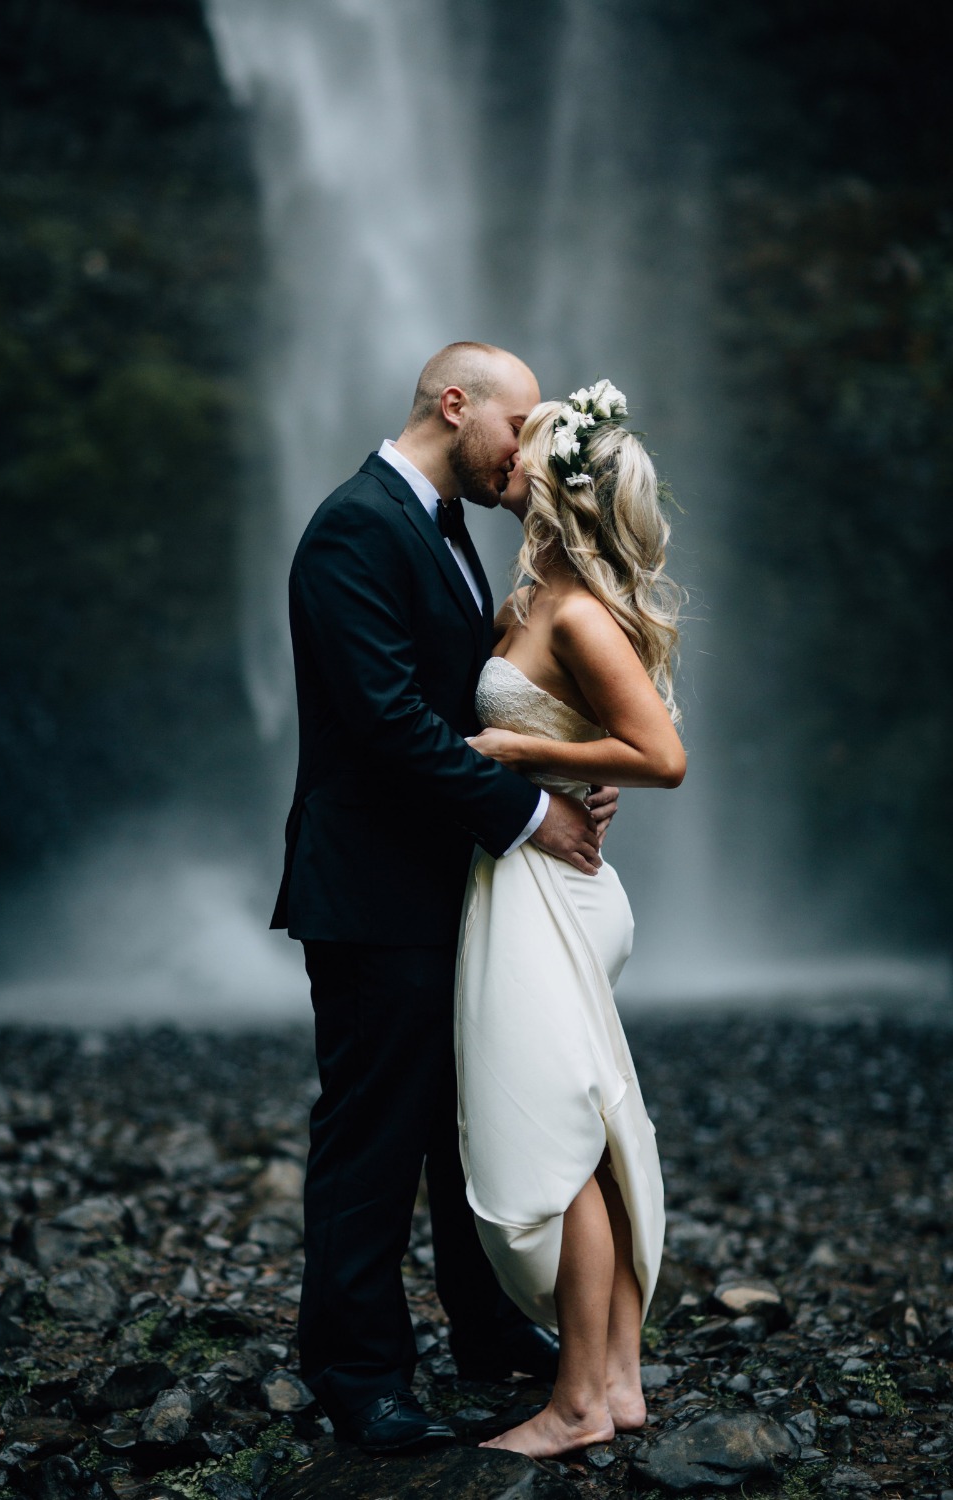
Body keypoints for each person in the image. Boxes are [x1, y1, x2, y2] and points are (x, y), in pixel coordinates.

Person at [270, 344, 620, 1454]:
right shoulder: (353, 526)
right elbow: (386, 723)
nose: (526, 452)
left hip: (448, 879)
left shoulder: (443, 525)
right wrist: (531, 818)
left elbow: (463, 699)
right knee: (372, 1135)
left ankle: (481, 1329)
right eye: (516, 424)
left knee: (464, 1120)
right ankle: (358, 1376)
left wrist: (564, 767)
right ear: (453, 403)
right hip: (372, 887)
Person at [456, 380, 686, 1458]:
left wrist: (520, 754)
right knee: (585, 1138)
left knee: (559, 1144)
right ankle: (619, 1388)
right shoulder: (532, 597)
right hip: (528, 887)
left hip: (555, 894)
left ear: (547, 482)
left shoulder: (578, 613)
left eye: (525, 442)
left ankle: (575, 1401)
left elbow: (662, 758)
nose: (504, 452)